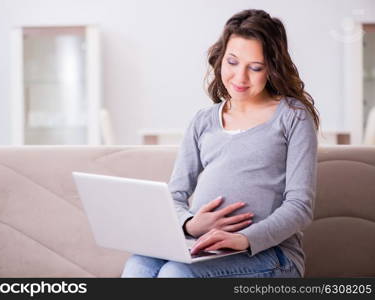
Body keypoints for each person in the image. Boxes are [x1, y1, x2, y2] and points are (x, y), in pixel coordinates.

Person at [122, 8, 320, 278]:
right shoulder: (203, 120)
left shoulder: (293, 116)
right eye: (233, 62)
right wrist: (190, 225)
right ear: (220, 59)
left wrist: (244, 239)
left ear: (272, 68)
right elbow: (175, 193)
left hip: (271, 255)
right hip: (205, 245)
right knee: (139, 266)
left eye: (256, 67)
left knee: (176, 275)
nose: (240, 77)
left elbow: (300, 207)